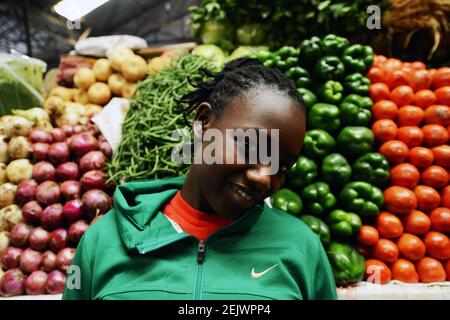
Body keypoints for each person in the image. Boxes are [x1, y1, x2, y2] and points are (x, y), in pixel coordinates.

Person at [62, 58, 337, 300]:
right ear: (204, 122)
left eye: (282, 166)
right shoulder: (102, 242)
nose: (263, 178)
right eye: (250, 146)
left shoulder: (300, 247)